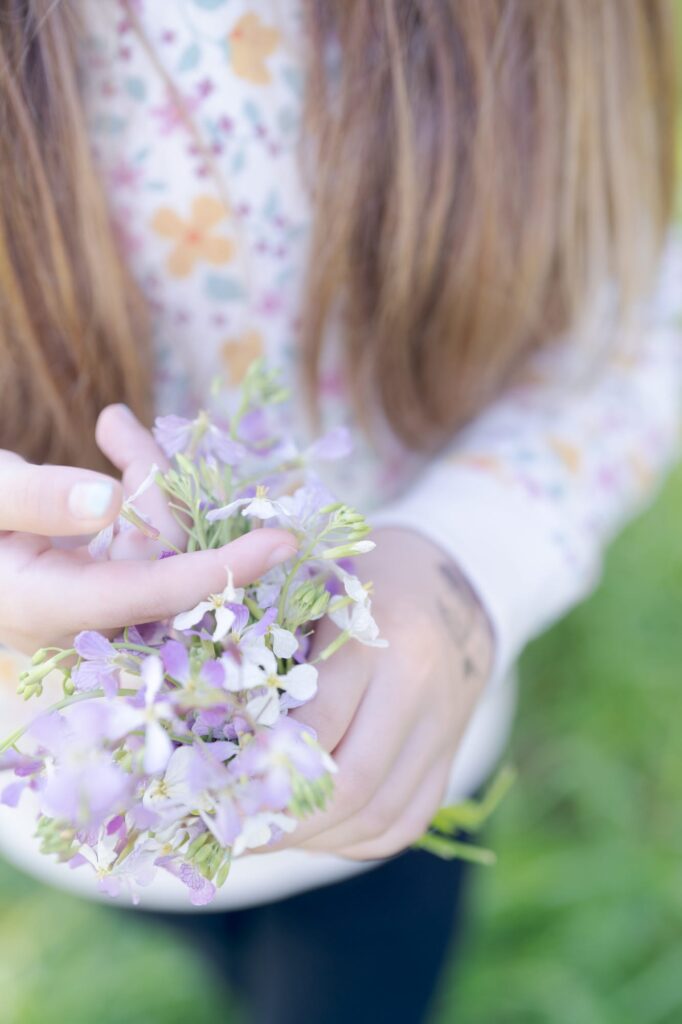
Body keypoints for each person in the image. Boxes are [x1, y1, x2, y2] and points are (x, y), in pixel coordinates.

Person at [0, 1, 680, 1021]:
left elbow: (629, 327)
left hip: (396, 751)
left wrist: (465, 563)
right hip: (71, 776)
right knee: (196, 942)